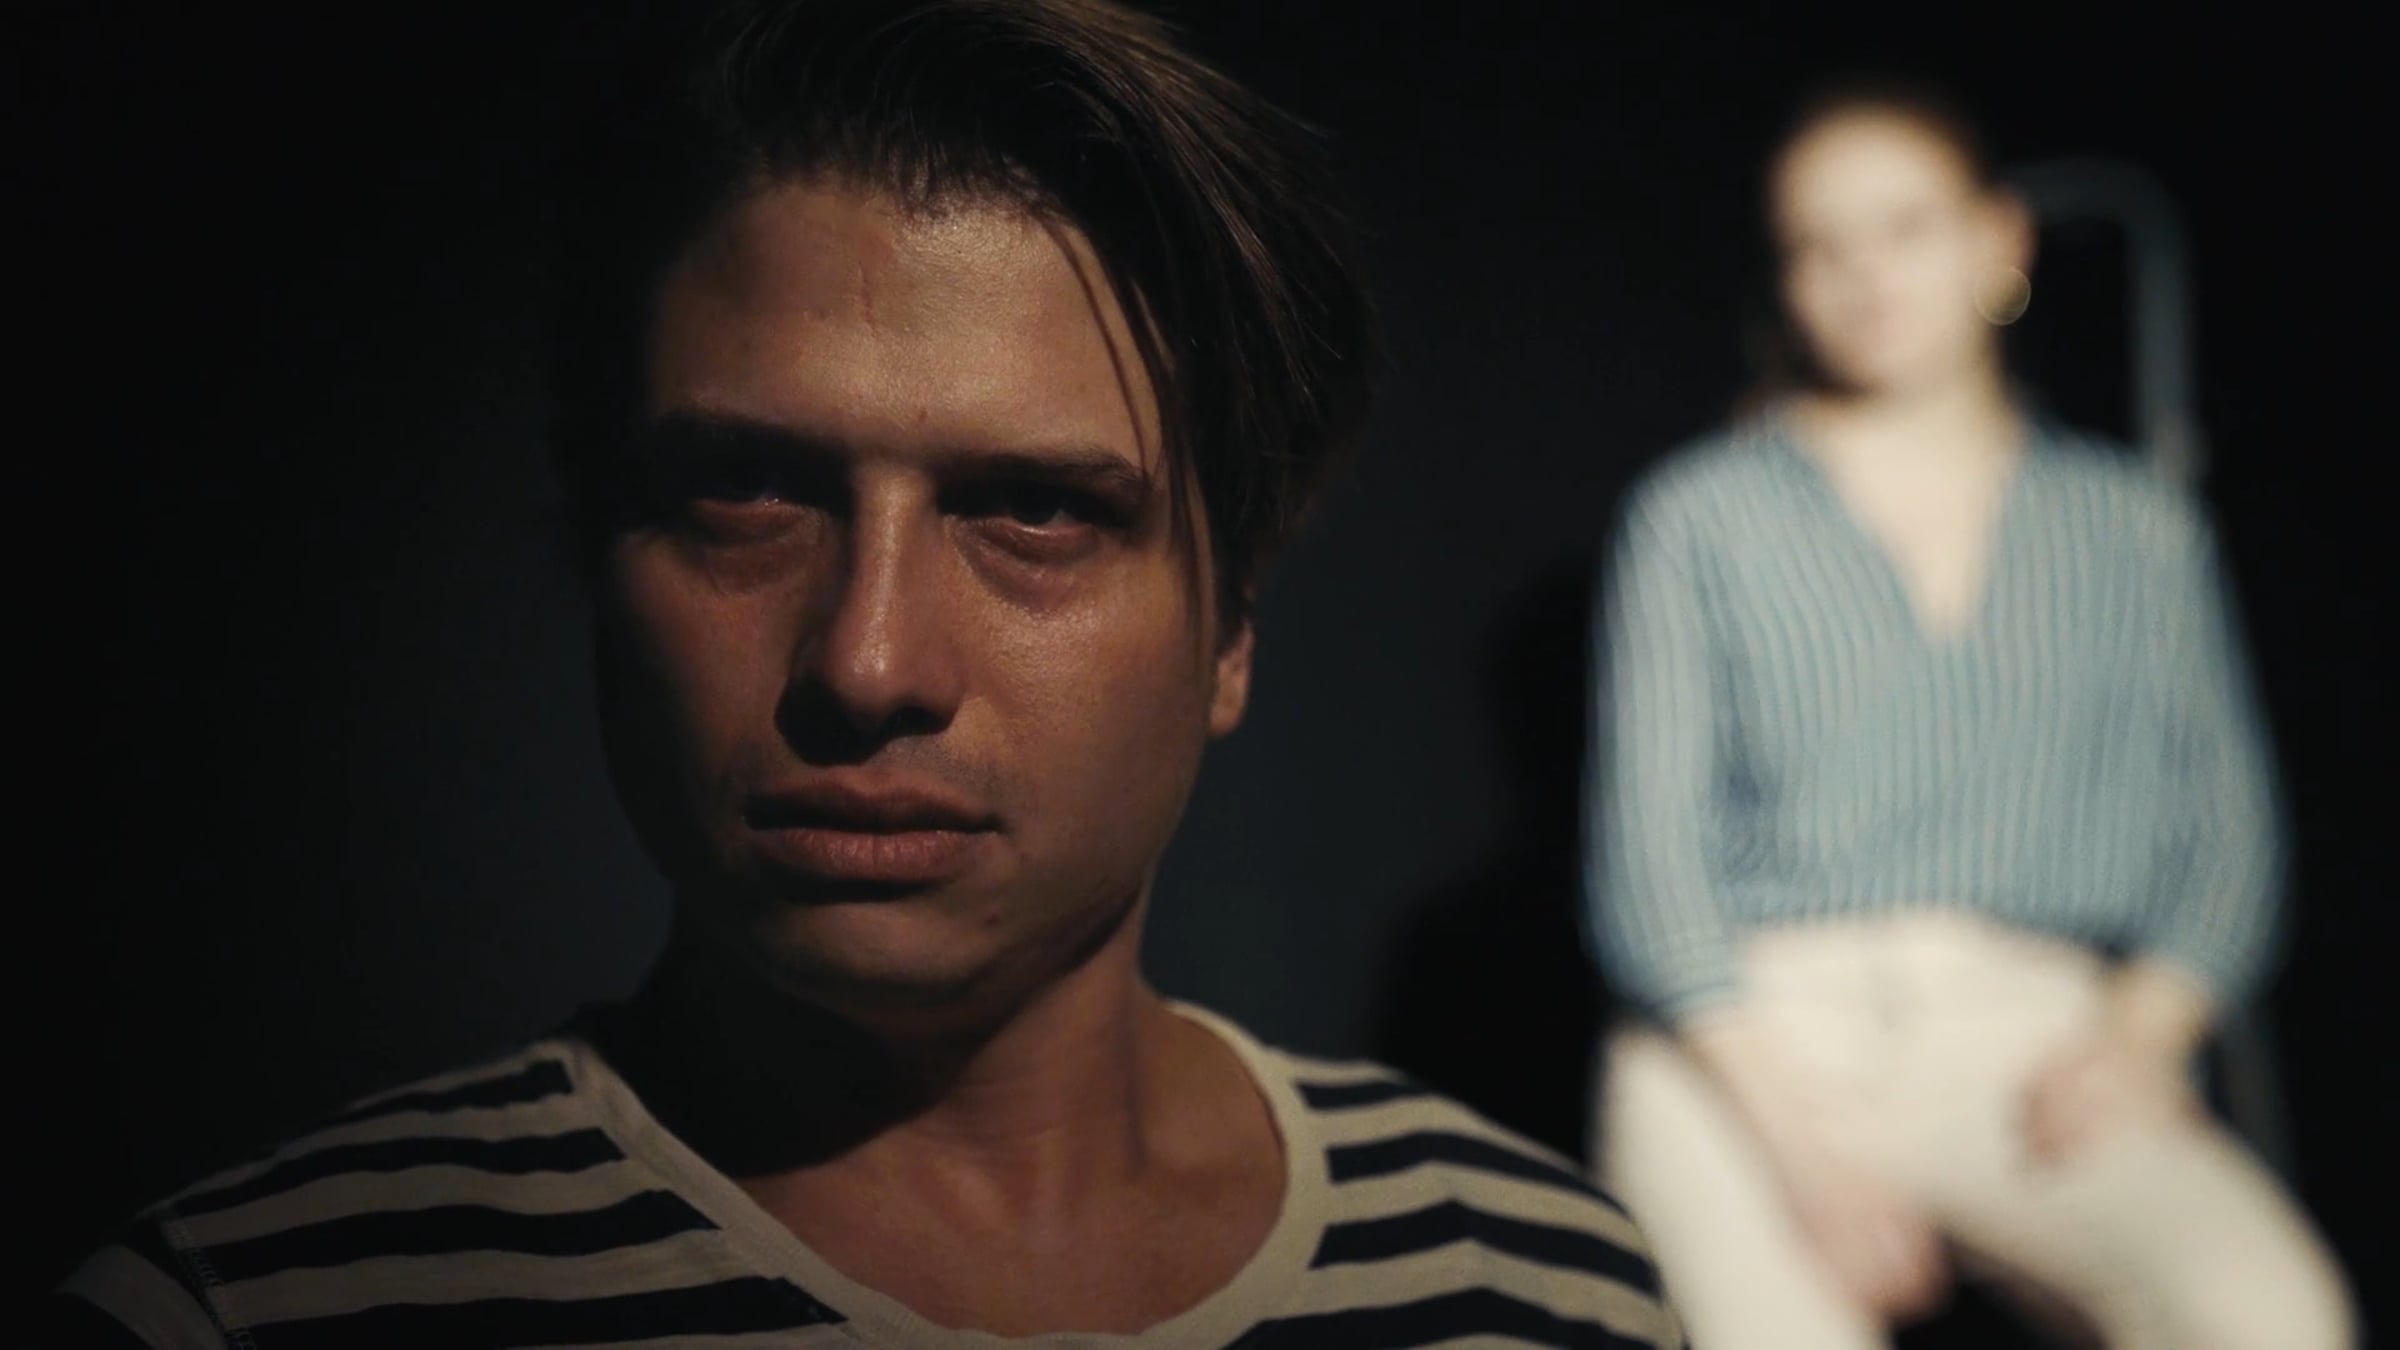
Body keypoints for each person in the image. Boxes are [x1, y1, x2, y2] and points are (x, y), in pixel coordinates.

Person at [45, 1, 1685, 1346]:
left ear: (1231, 629)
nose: (869, 658)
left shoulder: (1537, 1286)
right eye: (746, 493)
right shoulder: (256, 1313)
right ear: (600, 550)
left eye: (1035, 511)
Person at [1582, 75, 2356, 1350]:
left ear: (1999, 239)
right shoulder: (1699, 517)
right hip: (1755, 1045)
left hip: (2037, 1036)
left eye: (1904, 227)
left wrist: (2141, 1036)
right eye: (1820, 245)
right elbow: (1649, 877)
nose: (1865, 275)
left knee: (2270, 1316)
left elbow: (2228, 837)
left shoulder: (2134, 527)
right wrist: (1806, 1163)